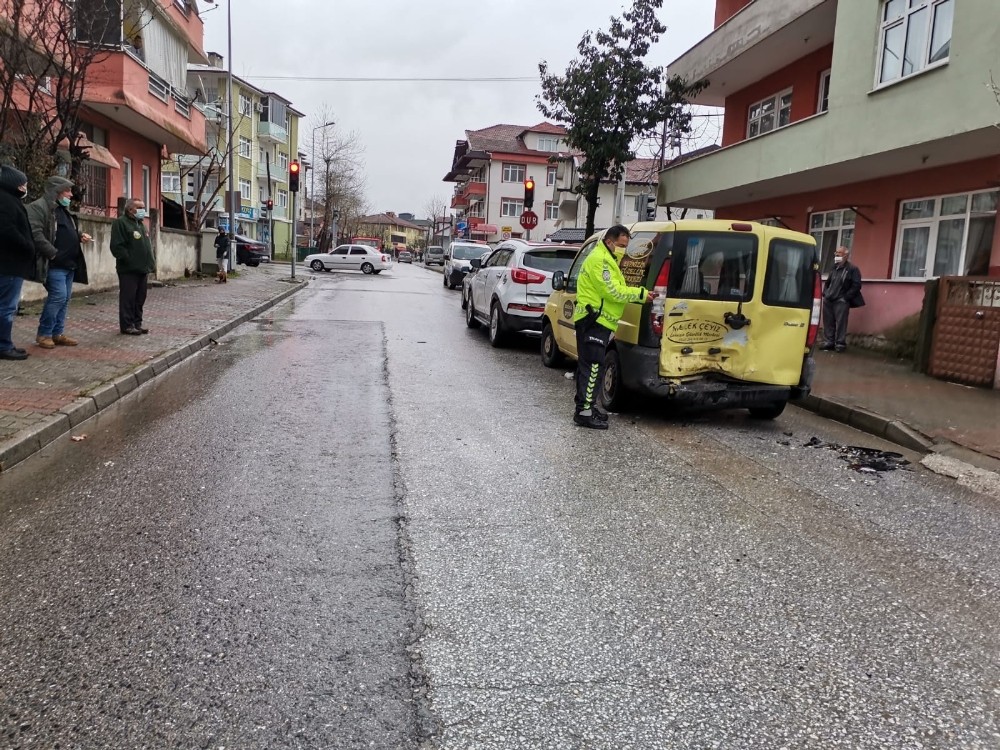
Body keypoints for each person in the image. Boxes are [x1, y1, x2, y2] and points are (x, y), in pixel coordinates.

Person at [572, 224, 654, 430]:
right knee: (592, 366)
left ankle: (586, 406)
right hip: (594, 321)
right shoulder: (601, 260)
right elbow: (613, 292)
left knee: (590, 366)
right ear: (610, 241)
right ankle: (584, 412)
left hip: (598, 320)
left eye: (625, 246)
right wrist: (642, 295)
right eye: (621, 244)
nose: (623, 249)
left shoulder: (608, 259)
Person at [27, 176, 91, 349]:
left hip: (69, 263)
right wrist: (53, 254)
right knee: (58, 297)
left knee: (65, 299)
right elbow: (36, 234)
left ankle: (57, 333)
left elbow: (63, 231)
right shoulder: (41, 208)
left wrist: (79, 236)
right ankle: (44, 334)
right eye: (67, 191)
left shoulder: (64, 210)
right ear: (56, 191)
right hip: (54, 264)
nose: (71, 195)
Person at [0, 165, 38, 360]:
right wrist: (28, 246)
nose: (25, 187)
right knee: (6, 307)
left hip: (11, 263)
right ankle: (3, 346)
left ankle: (6, 343)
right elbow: (7, 230)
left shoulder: (10, 200)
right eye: (22, 184)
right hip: (9, 264)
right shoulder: (6, 202)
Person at [110, 197, 154, 335]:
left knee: (140, 298)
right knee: (128, 298)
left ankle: (137, 323)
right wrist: (128, 259)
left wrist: (150, 263)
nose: (142, 210)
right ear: (130, 209)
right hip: (128, 269)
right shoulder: (121, 223)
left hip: (143, 269)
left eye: (143, 207)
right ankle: (127, 325)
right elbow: (117, 246)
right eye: (139, 208)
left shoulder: (141, 224)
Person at [821, 246, 863, 352]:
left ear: (846, 255)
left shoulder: (852, 269)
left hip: (841, 300)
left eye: (839, 253)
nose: (836, 255)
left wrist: (846, 298)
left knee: (841, 323)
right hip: (829, 299)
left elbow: (856, 285)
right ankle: (829, 342)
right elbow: (828, 282)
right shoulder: (834, 267)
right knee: (828, 322)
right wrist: (825, 293)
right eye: (836, 253)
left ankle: (840, 344)